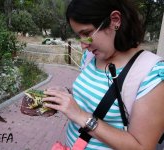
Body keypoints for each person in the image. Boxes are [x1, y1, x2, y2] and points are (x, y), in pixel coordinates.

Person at [43, 0, 164, 149]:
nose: (83, 45)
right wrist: (67, 96)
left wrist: (80, 116)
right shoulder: (90, 58)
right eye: (79, 36)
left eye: (86, 33)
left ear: (115, 21)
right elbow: (96, 96)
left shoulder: (152, 73)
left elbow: (142, 147)